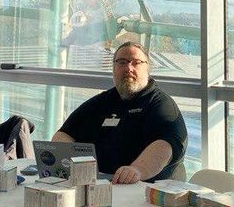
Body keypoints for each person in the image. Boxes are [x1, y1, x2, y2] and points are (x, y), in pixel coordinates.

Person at [52, 42, 187, 184]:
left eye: (136, 63)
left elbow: (166, 146)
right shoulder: (102, 101)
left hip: (141, 191)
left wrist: (136, 170)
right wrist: (74, 164)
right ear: (113, 68)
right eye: (122, 62)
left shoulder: (160, 104)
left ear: (148, 69)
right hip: (97, 185)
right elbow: (63, 135)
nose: (129, 68)